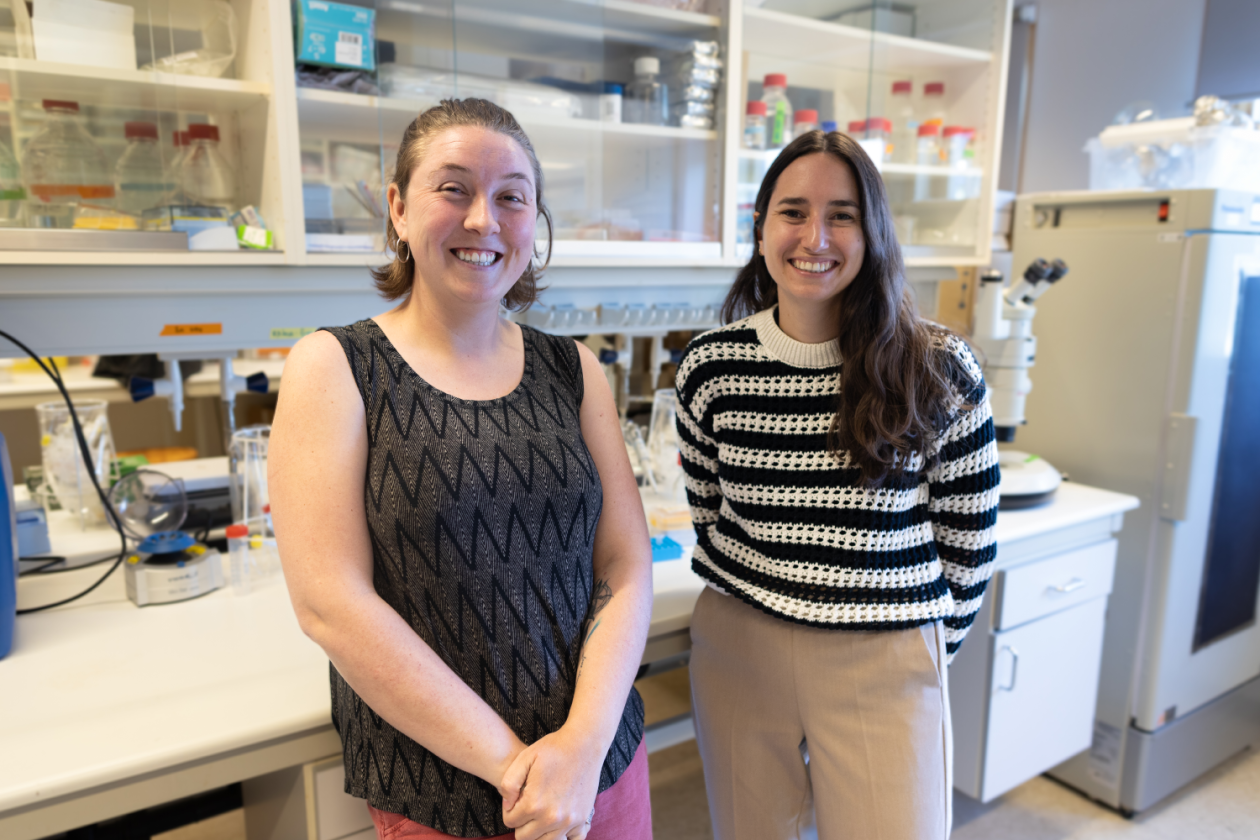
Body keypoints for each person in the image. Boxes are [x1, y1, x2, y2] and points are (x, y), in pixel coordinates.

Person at [269, 98, 654, 840]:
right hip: (444, 795)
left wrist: (579, 748)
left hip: (602, 767)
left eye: (512, 197)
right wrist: (522, 772)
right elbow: (330, 603)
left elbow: (625, 560)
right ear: (398, 209)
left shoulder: (572, 369)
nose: (484, 219)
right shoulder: (338, 367)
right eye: (453, 189)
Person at [674, 129, 1000, 840]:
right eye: (792, 211)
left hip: (883, 654)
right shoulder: (710, 367)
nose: (814, 236)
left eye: (842, 214)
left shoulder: (939, 368)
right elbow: (709, 509)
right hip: (740, 643)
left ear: (872, 231)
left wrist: (921, 649)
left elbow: (969, 544)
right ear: (760, 229)